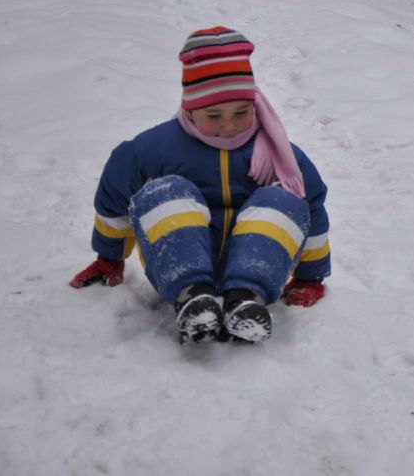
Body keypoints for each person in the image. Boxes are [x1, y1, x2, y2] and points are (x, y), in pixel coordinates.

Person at [70, 26, 331, 342]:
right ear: (190, 109)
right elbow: (113, 200)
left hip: (259, 264)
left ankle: (245, 301)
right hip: (178, 262)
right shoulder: (153, 149)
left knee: (286, 199)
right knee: (164, 193)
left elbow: (311, 211)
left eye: (241, 112)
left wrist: (309, 277)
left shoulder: (280, 154)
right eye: (214, 114)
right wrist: (108, 258)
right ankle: (194, 297)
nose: (229, 124)